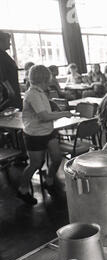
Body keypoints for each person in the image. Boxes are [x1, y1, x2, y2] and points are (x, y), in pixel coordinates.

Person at [17, 65, 73, 205]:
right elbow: (43, 116)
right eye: (49, 77)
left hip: (47, 131)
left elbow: (46, 113)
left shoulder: (40, 92)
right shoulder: (33, 94)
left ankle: (49, 181)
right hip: (35, 134)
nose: (51, 80)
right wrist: (64, 113)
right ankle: (22, 190)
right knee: (35, 164)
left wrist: (56, 110)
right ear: (44, 78)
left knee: (56, 158)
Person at [0, 31, 22, 110]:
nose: (10, 44)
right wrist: (10, 90)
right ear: (1, 41)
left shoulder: (4, 54)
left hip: (13, 88)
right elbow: (2, 74)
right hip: (8, 91)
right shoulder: (1, 55)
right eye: (8, 41)